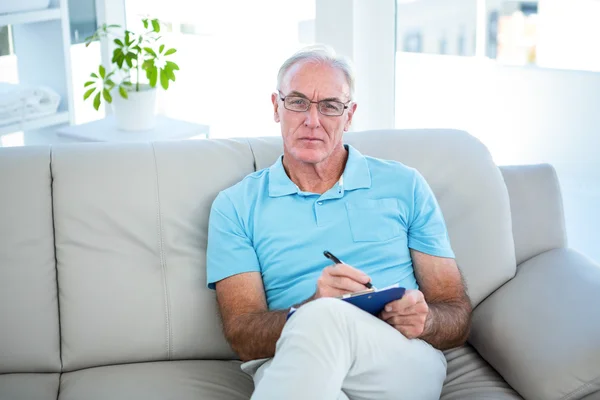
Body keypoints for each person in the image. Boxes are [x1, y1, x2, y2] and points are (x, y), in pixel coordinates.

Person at [206, 44, 472, 400]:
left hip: (399, 360)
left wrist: (426, 320)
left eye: (330, 106)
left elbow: (455, 311)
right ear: (276, 107)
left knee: (325, 318)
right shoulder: (235, 206)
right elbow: (242, 335)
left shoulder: (405, 185)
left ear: (349, 116)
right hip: (293, 360)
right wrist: (309, 308)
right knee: (321, 320)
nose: (312, 121)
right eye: (298, 102)